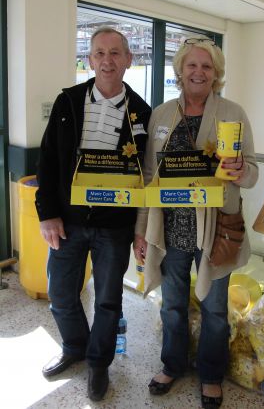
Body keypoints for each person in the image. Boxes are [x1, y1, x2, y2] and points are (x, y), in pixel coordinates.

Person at [133, 36, 258, 408]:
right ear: (180, 71)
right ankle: (172, 364)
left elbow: (251, 173)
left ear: (216, 73)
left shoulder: (233, 112)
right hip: (170, 228)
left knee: (215, 309)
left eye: (206, 66)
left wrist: (239, 170)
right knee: (170, 304)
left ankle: (210, 374)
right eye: (192, 65)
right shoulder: (162, 114)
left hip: (215, 229)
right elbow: (149, 175)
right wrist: (141, 230)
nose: (198, 72)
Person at [35, 27, 151, 401]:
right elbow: (48, 161)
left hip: (114, 227)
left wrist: (140, 229)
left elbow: (145, 177)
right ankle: (74, 347)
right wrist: (47, 214)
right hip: (67, 221)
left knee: (107, 300)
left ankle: (99, 363)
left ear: (129, 60)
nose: (107, 60)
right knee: (61, 295)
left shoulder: (142, 112)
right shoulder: (68, 102)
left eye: (115, 53)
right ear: (89, 60)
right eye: (99, 53)